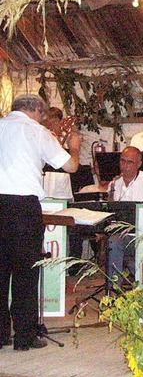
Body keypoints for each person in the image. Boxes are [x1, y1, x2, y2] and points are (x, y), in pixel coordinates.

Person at [0, 94, 81, 351]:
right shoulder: (38, 132)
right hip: (22, 207)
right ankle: (24, 337)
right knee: (25, 271)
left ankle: (1, 335)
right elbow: (71, 167)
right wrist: (75, 147)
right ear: (36, 110)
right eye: (42, 114)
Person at [106, 146, 143, 291]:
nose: (124, 166)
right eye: (122, 161)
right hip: (122, 235)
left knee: (115, 244)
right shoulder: (114, 183)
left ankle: (142, 282)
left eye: (129, 162)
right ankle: (114, 289)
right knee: (113, 242)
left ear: (139, 164)